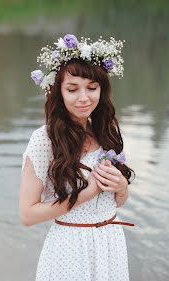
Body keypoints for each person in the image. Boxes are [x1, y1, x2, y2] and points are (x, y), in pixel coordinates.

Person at [20, 34, 134, 280]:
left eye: (92, 88)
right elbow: (27, 215)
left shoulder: (106, 130)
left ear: (101, 90)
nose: (84, 98)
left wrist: (122, 187)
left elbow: (115, 202)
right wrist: (86, 194)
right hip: (69, 250)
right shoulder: (44, 141)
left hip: (110, 244)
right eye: (72, 89)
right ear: (58, 91)